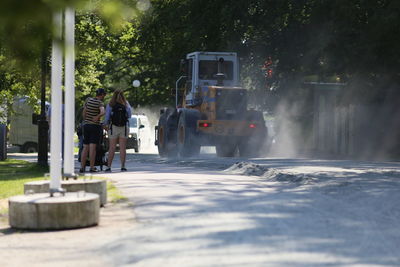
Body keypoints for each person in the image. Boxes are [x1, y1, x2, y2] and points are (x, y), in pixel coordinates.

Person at [103, 89, 132, 172]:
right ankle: (123, 166)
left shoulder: (111, 104)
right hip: (124, 127)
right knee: (123, 148)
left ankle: (108, 167)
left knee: (112, 147)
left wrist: (105, 124)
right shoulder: (126, 103)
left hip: (113, 127)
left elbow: (107, 117)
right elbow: (129, 115)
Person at [79, 88, 106, 173]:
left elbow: (84, 112)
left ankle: (82, 167)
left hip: (86, 125)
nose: (104, 96)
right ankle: (91, 167)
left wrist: (86, 120)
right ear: (101, 95)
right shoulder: (100, 102)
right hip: (95, 126)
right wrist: (97, 117)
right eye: (104, 95)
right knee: (92, 147)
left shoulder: (88, 101)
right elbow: (103, 112)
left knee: (85, 146)